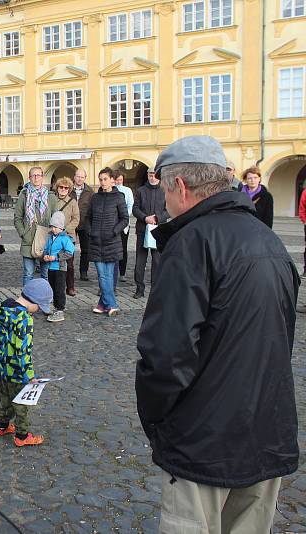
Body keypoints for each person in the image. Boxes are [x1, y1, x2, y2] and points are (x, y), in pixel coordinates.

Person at [136, 135, 299, 532]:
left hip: (202, 440)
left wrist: (158, 424)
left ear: (180, 187)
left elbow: (166, 356)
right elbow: (283, 339)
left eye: (164, 190)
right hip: (267, 428)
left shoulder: (191, 242)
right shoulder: (269, 240)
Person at [0, 277, 53, 447]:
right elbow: (23, 352)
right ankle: (22, 436)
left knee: (5, 398)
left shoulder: (3, 308)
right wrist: (30, 376)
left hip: (3, 367)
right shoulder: (24, 319)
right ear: (33, 301)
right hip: (18, 371)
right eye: (39, 307)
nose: (37, 311)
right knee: (21, 403)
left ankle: (1, 426)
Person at [88, 167, 128, 316]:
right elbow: (88, 218)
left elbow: (125, 218)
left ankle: (104, 304)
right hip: (96, 242)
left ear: (112, 179)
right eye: (100, 179)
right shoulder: (95, 198)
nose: (103, 182)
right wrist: (90, 231)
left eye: (105, 179)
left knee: (108, 275)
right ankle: (110, 304)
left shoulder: (119, 197)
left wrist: (114, 231)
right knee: (101, 275)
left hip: (112, 242)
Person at [15, 166, 57, 286]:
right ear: (29, 178)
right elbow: (17, 218)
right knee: (28, 273)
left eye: (38, 175)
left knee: (45, 273)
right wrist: (23, 233)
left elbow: (56, 218)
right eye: (33, 175)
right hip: (29, 239)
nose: (36, 178)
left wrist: (52, 234)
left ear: (42, 177)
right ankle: (27, 300)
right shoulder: (23, 196)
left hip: (45, 239)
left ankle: (44, 299)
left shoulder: (51, 197)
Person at [132, 170, 168, 299]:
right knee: (140, 261)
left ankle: (155, 289)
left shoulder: (164, 190)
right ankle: (139, 288)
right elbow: (135, 208)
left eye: (154, 175)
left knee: (157, 261)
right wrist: (145, 218)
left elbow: (168, 209)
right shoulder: (141, 190)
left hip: (159, 230)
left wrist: (158, 218)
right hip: (142, 229)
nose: (152, 178)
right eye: (149, 175)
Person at [43, 212, 75, 323]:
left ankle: (60, 308)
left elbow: (70, 252)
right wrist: (45, 256)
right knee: (52, 288)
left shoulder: (65, 239)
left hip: (60, 268)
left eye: (56, 227)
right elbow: (46, 248)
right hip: (51, 268)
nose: (53, 229)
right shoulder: (50, 237)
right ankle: (55, 306)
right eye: (52, 227)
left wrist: (56, 257)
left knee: (59, 289)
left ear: (61, 227)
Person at [54, 177, 80, 296]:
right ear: (57, 188)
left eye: (66, 188)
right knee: (55, 263)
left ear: (69, 189)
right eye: (61, 187)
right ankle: (56, 285)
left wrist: (65, 229)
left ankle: (70, 287)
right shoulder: (53, 200)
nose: (63, 189)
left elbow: (76, 219)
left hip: (68, 236)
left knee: (69, 263)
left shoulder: (73, 202)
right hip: (54, 236)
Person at [72, 168, 94, 281]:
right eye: (78, 176)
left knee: (86, 250)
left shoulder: (90, 192)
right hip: (71, 224)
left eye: (82, 177)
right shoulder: (68, 189)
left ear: (85, 178)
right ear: (74, 177)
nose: (80, 179)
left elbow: (93, 208)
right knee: (68, 248)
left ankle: (83, 272)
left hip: (85, 224)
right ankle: (68, 270)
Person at [114, 171, 134, 283]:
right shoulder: (111, 189)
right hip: (112, 223)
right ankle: (113, 272)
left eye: (120, 180)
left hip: (124, 223)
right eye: (117, 180)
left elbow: (130, 205)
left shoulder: (127, 190)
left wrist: (125, 216)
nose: (118, 182)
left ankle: (122, 273)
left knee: (123, 248)